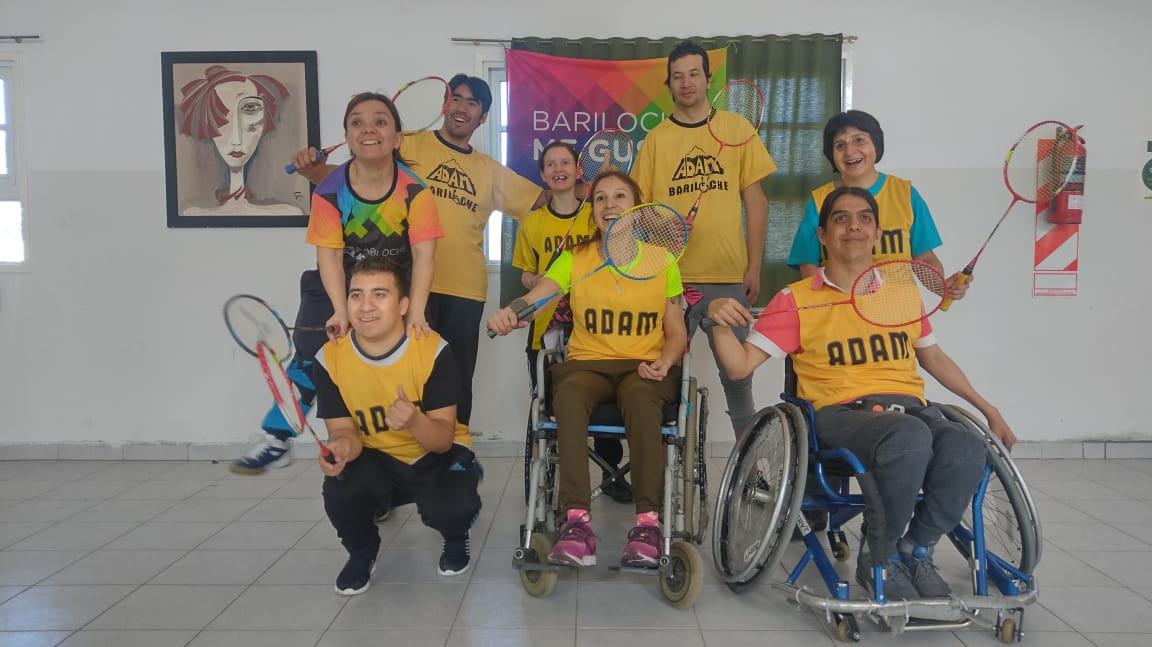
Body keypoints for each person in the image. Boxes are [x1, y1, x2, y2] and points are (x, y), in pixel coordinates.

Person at [706, 186, 1016, 600]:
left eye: (864, 218)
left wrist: (988, 408)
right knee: (908, 436)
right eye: (841, 218)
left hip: (909, 411)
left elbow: (935, 358)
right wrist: (717, 320)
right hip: (841, 415)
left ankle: (915, 549)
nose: (854, 226)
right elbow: (739, 366)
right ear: (822, 236)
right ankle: (878, 556)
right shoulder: (796, 299)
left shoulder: (902, 293)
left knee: (965, 444)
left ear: (877, 233)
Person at [294, 74, 543, 427]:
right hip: (406, 287)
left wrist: (587, 189)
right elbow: (354, 178)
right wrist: (314, 171)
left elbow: (540, 202)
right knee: (400, 380)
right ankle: (403, 453)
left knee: (454, 379)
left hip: (463, 289)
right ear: (444, 105)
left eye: (472, 103)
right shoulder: (407, 144)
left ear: (484, 116)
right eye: (456, 98)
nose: (461, 107)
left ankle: (454, 453)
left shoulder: (489, 170)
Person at [232, 92, 441, 475]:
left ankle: (403, 459)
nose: (368, 129)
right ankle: (277, 438)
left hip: (392, 288)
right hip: (335, 284)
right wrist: (341, 310)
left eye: (380, 121)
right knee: (310, 355)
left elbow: (424, 255)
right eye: (357, 122)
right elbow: (328, 255)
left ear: (397, 138)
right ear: (347, 137)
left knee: (394, 367)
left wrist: (417, 311)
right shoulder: (330, 190)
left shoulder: (415, 191)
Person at [488, 171, 687, 568]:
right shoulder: (574, 259)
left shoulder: (662, 260)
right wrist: (511, 313)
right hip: (587, 364)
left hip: (643, 368)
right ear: (592, 209)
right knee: (568, 393)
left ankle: (648, 524)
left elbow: (677, 332)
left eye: (620, 197)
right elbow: (537, 299)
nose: (610, 205)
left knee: (641, 400)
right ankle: (577, 522)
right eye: (600, 198)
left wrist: (666, 361)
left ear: (637, 208)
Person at [631, 40, 776, 439]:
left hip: (727, 279)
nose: (686, 82)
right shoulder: (657, 139)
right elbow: (638, 212)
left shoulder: (736, 129)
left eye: (694, 74)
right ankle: (661, 459)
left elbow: (756, 201)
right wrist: (666, 228)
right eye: (677, 76)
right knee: (661, 374)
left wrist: (753, 266)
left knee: (737, 377)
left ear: (708, 80)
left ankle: (750, 462)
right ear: (669, 85)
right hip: (670, 282)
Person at [314, 255, 481, 595]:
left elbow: (443, 439)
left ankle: (455, 535)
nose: (365, 306)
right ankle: (361, 553)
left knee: (453, 498)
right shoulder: (329, 357)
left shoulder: (433, 350)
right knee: (339, 487)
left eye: (379, 294)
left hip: (435, 455)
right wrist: (341, 448)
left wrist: (415, 421)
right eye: (356, 295)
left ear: (404, 305)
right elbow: (344, 431)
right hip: (377, 458)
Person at [511, 141, 631, 503]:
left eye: (565, 162)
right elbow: (525, 274)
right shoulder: (532, 222)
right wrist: (538, 281)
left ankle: (610, 474)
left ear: (579, 171)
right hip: (546, 329)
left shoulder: (597, 213)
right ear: (542, 174)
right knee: (550, 406)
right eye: (550, 164)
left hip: (594, 328)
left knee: (602, 407)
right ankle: (550, 476)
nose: (558, 169)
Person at [787, 110, 968, 300]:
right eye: (840, 145)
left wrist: (942, 287)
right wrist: (824, 307)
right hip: (842, 311)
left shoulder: (906, 194)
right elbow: (808, 264)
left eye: (859, 140)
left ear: (876, 144)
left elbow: (924, 258)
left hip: (901, 309)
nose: (849, 151)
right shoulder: (819, 200)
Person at [176, 65, 303, 216]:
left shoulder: (289, 213)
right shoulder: (193, 215)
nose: (236, 140)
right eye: (222, 124)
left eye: (250, 112)